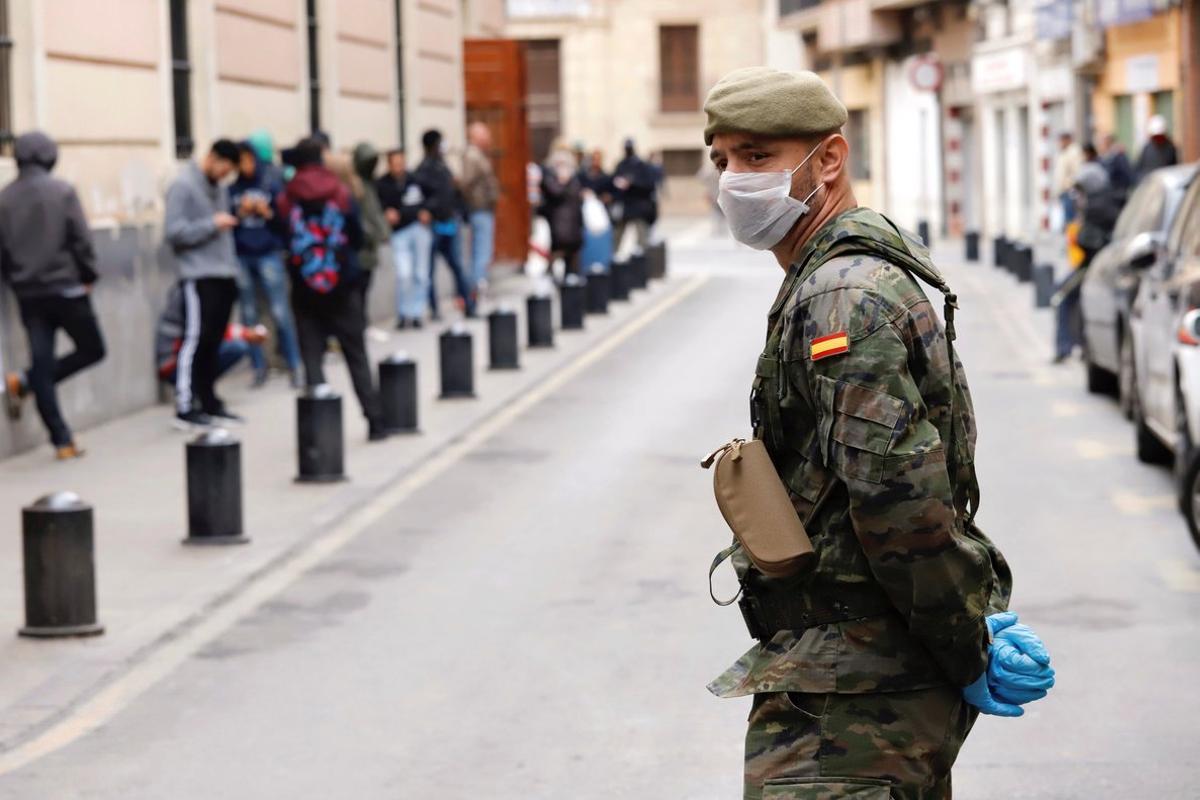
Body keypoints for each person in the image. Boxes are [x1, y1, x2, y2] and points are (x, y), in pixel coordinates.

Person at [702, 67, 1054, 799]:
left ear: (828, 159)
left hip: (853, 706)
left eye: (758, 156)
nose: (734, 179)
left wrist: (968, 642)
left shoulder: (843, 296)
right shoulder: (831, 276)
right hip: (854, 684)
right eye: (724, 159)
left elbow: (899, 500)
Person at [0, 131, 105, 459]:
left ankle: (61, 439)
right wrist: (89, 275)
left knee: (43, 365)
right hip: (67, 289)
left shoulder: (5, 198)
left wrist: (15, 281)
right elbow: (81, 240)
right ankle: (29, 384)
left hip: (29, 294)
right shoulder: (62, 191)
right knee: (93, 349)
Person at [277, 138, 388, 442]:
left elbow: (282, 235)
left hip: (304, 289)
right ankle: (375, 421)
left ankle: (320, 434)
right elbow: (354, 234)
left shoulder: (287, 197)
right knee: (356, 356)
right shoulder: (340, 193)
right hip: (343, 288)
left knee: (312, 359)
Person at [164, 138, 244, 430]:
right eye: (225, 168)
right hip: (197, 275)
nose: (225, 175)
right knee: (195, 340)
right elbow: (173, 232)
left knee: (213, 341)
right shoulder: (183, 186)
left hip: (223, 273)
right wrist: (212, 224)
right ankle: (185, 405)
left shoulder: (220, 189)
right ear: (212, 158)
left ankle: (209, 401)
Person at [229, 141, 302, 389]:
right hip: (242, 254)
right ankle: (259, 367)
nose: (245, 166)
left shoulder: (270, 184)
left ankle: (294, 364)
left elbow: (285, 221)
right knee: (249, 314)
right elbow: (229, 221)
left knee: (280, 312)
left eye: (248, 160)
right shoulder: (232, 189)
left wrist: (266, 211)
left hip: (268, 252)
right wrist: (241, 212)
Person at [1054, 144, 1123, 364]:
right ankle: (1078, 345)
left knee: (1061, 297)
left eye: (1081, 191)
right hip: (1092, 266)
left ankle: (1065, 347)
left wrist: (1078, 236)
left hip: (1093, 267)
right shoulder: (1102, 204)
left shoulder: (1097, 208)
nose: (1078, 198)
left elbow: (1090, 242)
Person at [413, 129, 476, 319]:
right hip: (434, 225)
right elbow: (421, 198)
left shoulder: (443, 166)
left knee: (456, 265)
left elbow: (452, 193)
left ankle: (468, 305)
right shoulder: (423, 170)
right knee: (430, 270)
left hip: (449, 222)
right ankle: (434, 308)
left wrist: (462, 212)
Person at [156, 283, 266, 385]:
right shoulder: (192, 293)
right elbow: (204, 331)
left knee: (235, 347)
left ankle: (201, 391)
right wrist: (245, 334)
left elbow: (212, 328)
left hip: (183, 359)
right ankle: (196, 392)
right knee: (235, 347)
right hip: (174, 365)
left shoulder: (200, 291)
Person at [377, 148, 433, 329]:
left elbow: (431, 197)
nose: (398, 167)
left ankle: (416, 312)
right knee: (404, 274)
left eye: (401, 163)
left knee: (421, 273)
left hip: (418, 228)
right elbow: (379, 205)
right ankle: (403, 313)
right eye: (395, 164)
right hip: (399, 232)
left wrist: (428, 211)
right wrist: (386, 214)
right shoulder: (383, 184)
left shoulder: (415, 180)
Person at [462, 122, 500, 292]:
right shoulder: (472, 155)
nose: (489, 138)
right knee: (481, 251)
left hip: (483, 208)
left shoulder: (478, 155)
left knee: (483, 250)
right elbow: (467, 183)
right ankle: (477, 287)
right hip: (479, 209)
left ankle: (479, 284)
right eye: (486, 135)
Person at [540, 139, 585, 276]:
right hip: (560, 217)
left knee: (568, 251)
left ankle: (568, 282)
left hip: (569, 217)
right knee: (562, 249)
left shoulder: (569, 172)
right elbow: (555, 191)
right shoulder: (552, 171)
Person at [611, 138, 656, 256]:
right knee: (616, 238)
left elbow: (649, 185)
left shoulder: (641, 165)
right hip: (624, 206)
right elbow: (613, 182)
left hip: (639, 207)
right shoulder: (621, 165)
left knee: (643, 240)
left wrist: (632, 183)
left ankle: (644, 264)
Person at [1052, 132, 1083, 229]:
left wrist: (1070, 185)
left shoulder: (1074, 152)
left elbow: (1077, 172)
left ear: (1067, 140)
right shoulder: (1064, 152)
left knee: (1071, 220)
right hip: (1064, 191)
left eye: (1061, 141)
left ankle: (1073, 241)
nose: (1059, 143)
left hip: (1070, 191)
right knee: (1067, 219)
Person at [1134, 114, 1178, 181]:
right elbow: (1138, 168)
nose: (1158, 139)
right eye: (1156, 137)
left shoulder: (1171, 149)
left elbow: (1175, 168)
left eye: (1160, 136)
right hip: (1149, 184)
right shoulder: (1146, 149)